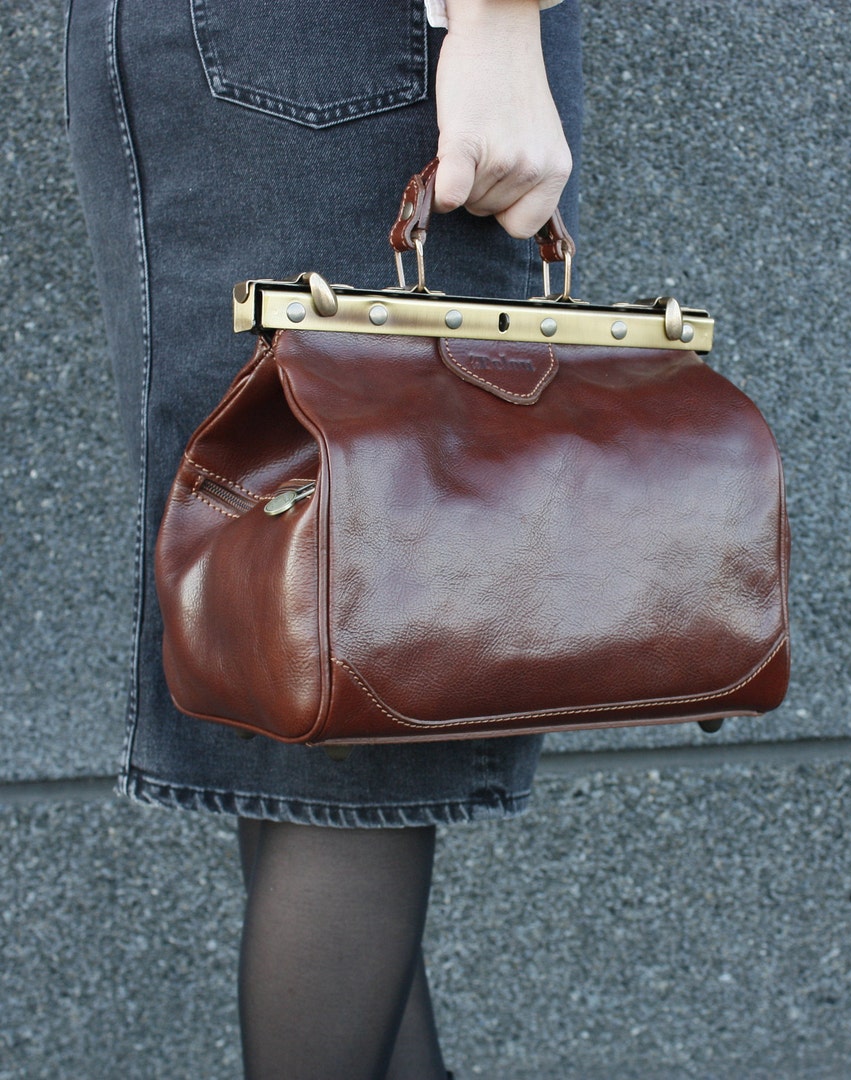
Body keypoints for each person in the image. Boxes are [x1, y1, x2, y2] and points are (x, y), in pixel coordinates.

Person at [66, 1, 581, 1076]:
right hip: (359, 46)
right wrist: (496, 19)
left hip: (234, 57)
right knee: (364, 706)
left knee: (319, 697)